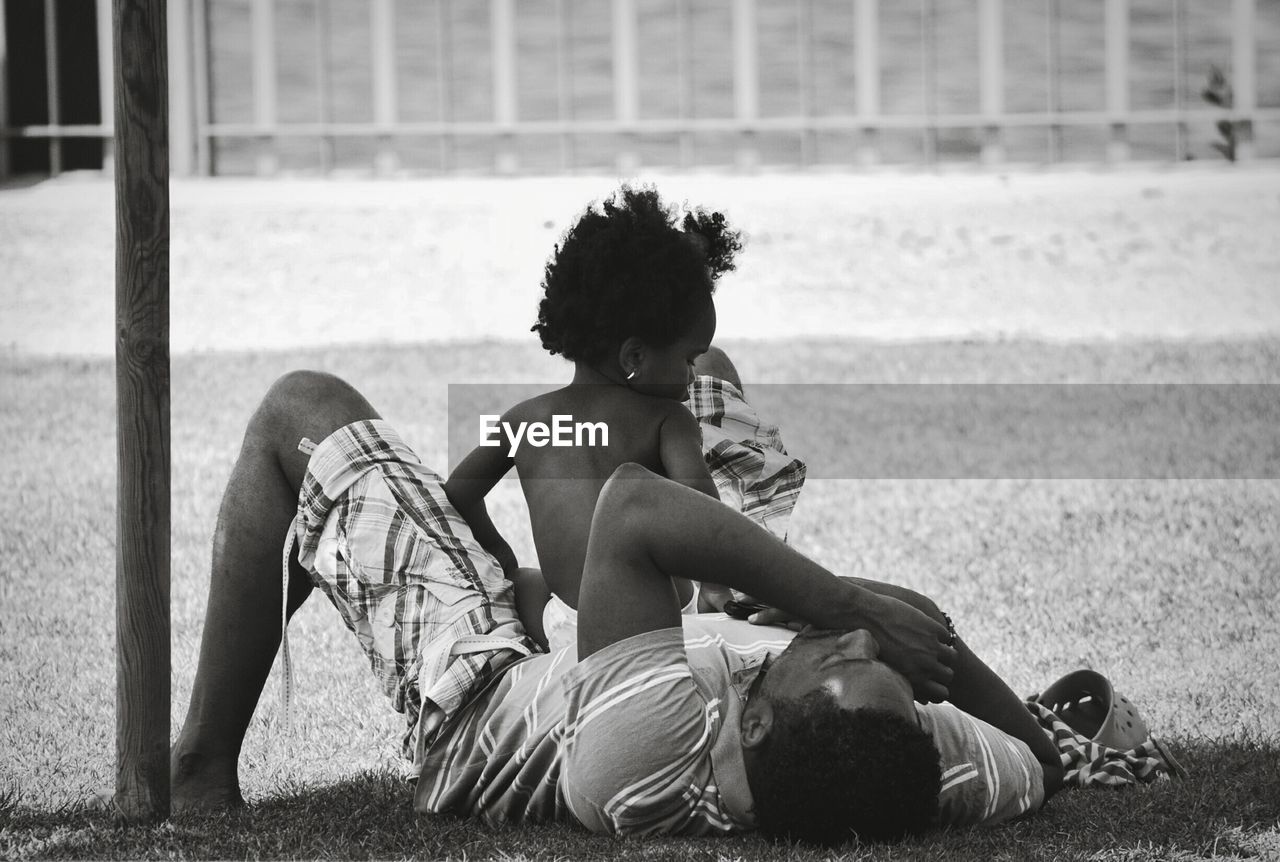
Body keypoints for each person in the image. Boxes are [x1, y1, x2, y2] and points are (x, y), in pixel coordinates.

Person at [171, 368, 1075, 844]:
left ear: (748, 724)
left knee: (301, 408)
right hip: (634, 650)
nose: (854, 642)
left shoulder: (648, 750)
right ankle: (544, 590)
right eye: (876, 663)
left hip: (486, 697)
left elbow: (631, 507)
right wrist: (1044, 749)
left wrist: (832, 599)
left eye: (837, 658)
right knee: (703, 386)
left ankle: (200, 768)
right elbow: (948, 674)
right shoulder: (915, 776)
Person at [442, 185, 742, 650]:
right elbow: (702, 510)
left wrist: (498, 550)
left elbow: (454, 497)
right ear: (634, 355)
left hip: (573, 631)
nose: (691, 376)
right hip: (662, 621)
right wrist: (718, 588)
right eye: (689, 359)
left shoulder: (523, 420)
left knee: (523, 582)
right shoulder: (667, 420)